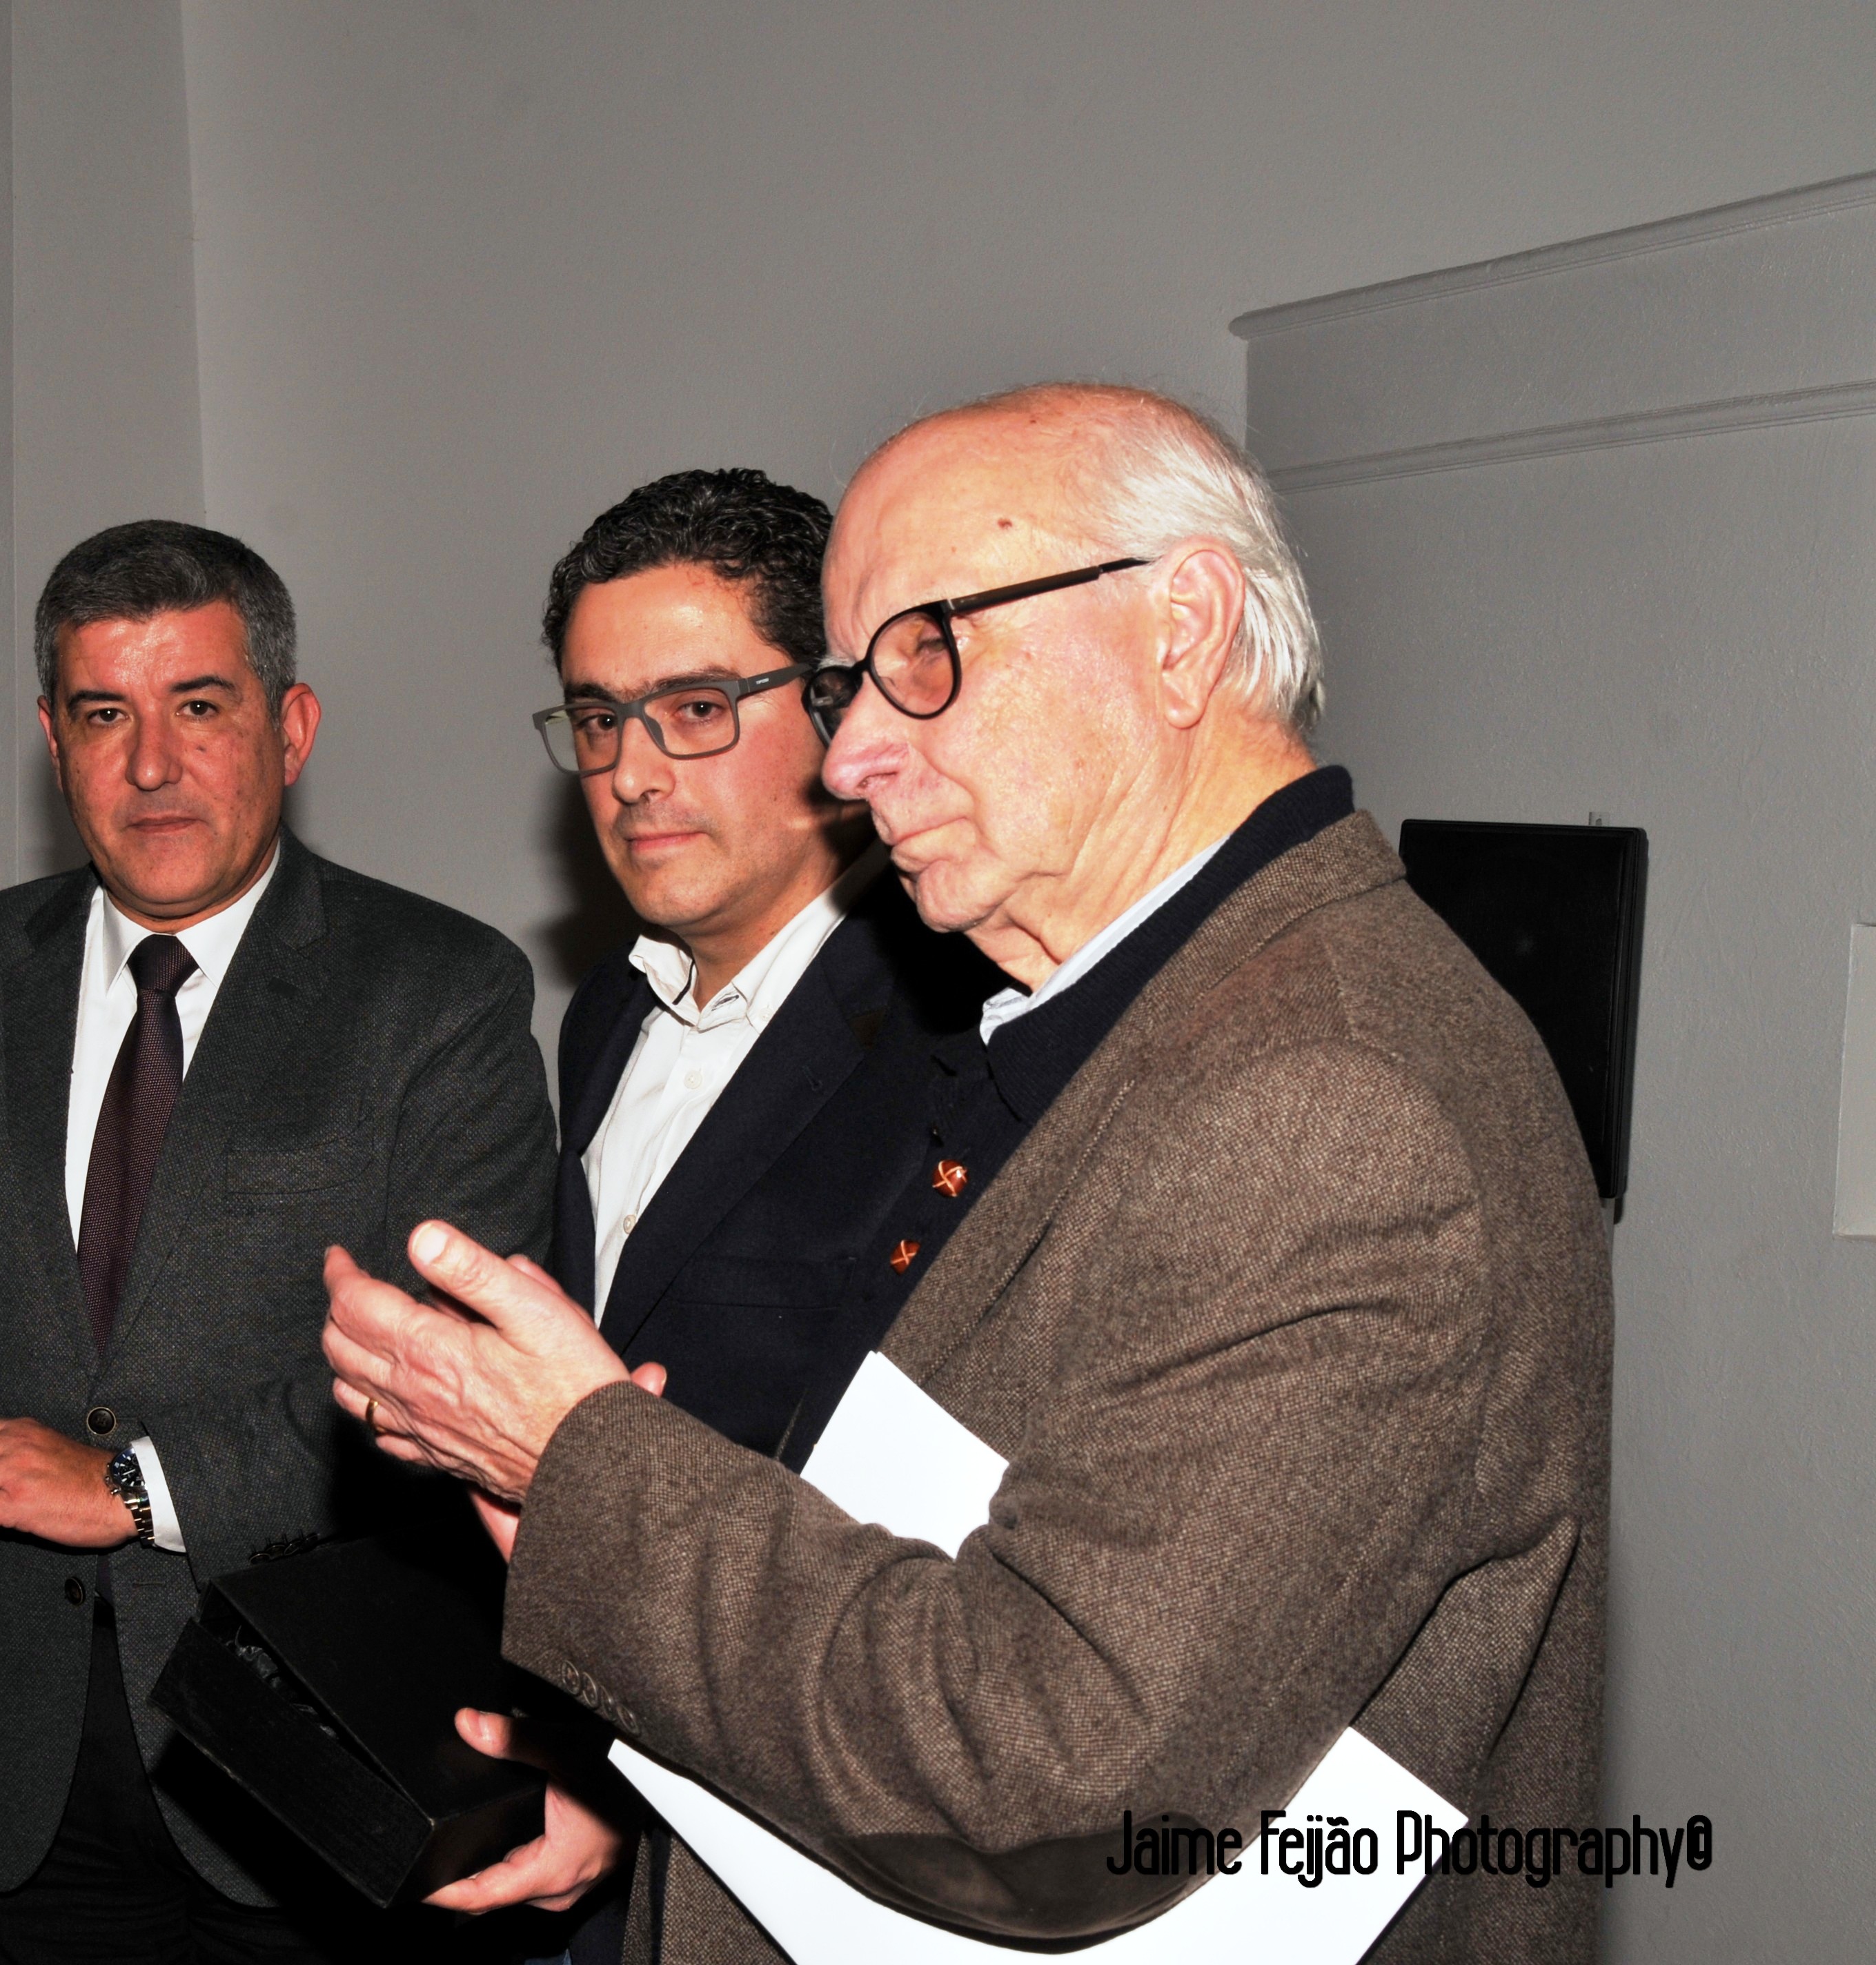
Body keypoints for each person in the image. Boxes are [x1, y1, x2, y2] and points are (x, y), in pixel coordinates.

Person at [322, 385, 1610, 1963]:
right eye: (847, 684)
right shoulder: (1135, 1015)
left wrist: (579, 1458)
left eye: (924, 654)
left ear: (1181, 631)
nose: (852, 755)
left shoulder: (1326, 1098)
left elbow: (1049, 1773)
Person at [0, 520, 555, 1962]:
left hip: (312, 1747)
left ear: (290, 727)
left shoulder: (439, 990)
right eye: (102, 715)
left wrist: (134, 1483)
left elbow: (452, 1377)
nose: (150, 765)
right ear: (51, 740)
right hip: (11, 1756)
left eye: (199, 706)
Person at [446, 468, 998, 1952]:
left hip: (827, 1837)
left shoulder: (959, 1041)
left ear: (833, 710)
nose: (631, 770)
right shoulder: (604, 1015)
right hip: (595, 1780)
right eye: (597, 718)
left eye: (694, 709)